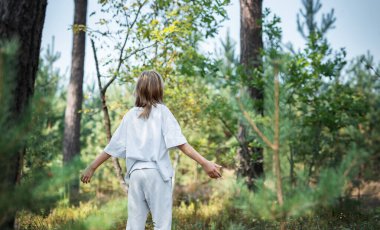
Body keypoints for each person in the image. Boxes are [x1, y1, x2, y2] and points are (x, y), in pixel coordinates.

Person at [80, 70, 222, 230]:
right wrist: (205, 163)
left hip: (136, 176)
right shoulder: (162, 112)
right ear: (159, 90)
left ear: (138, 90)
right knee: (161, 225)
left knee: (134, 226)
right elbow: (181, 144)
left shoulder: (130, 116)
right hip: (157, 175)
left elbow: (111, 148)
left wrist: (92, 167)